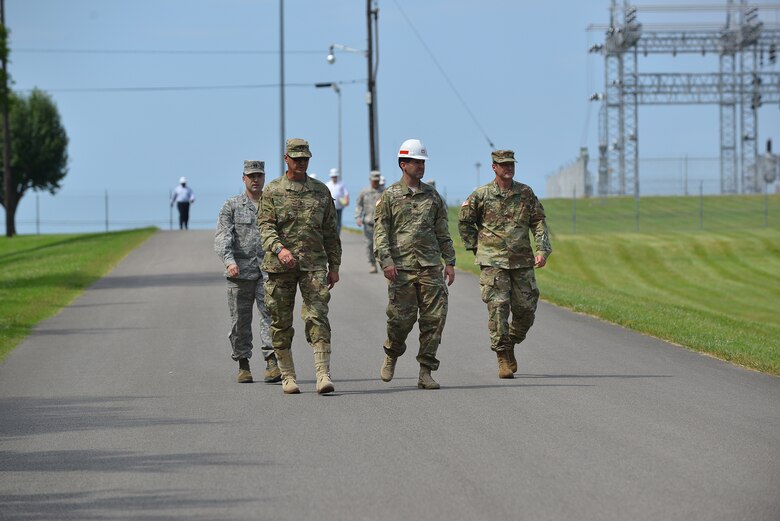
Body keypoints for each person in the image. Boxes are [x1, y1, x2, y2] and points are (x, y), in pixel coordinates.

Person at [458, 149, 551, 379]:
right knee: (498, 309)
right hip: (493, 263)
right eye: (503, 164)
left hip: (522, 262)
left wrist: (542, 250)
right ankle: (502, 357)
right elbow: (464, 222)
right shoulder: (481, 195)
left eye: (511, 164)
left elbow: (538, 222)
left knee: (527, 309)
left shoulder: (525, 193)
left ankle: (510, 341)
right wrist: (476, 248)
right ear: (494, 167)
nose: (508, 168)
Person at [258, 139, 342, 395]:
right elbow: (266, 227)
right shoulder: (272, 191)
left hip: (314, 265)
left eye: (305, 158)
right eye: (297, 158)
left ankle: (322, 374)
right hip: (279, 267)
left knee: (318, 317)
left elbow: (330, 230)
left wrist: (334, 265)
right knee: (281, 322)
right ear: (286, 159)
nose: (302, 162)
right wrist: (279, 249)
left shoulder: (320, 191)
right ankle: (288, 376)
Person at [373, 138, 456, 390]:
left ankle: (425, 371)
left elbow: (443, 231)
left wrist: (449, 261)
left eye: (422, 162)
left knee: (434, 319)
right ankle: (392, 352)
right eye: (415, 162)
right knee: (401, 321)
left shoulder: (433, 197)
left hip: (430, 267)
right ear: (402, 164)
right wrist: (386, 261)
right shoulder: (389, 197)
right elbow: (380, 233)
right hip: (402, 269)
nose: (420, 166)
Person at [214, 160, 282, 384]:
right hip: (239, 274)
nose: (255, 180)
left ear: (264, 178)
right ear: (243, 178)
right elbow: (223, 236)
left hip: (268, 272)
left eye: (259, 176)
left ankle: (272, 362)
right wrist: (229, 261)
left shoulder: (272, 204)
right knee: (240, 321)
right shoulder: (231, 206)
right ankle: (243, 363)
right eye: (251, 176)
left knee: (271, 317)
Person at [354, 170, 384, 273]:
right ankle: (372, 264)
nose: (375, 182)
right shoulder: (365, 192)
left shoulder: (384, 192)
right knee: (369, 244)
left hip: (381, 223)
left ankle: (382, 264)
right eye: (374, 180)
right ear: (370, 180)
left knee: (381, 245)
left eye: (377, 180)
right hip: (368, 222)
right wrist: (358, 217)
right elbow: (359, 205)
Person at [325, 168, 349, 235]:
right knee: (331, 222)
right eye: (333, 176)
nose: (334, 178)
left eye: (335, 176)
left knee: (338, 223)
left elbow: (346, 193)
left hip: (339, 207)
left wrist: (347, 201)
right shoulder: (328, 184)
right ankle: (331, 235)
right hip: (330, 207)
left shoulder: (341, 184)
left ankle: (337, 235)